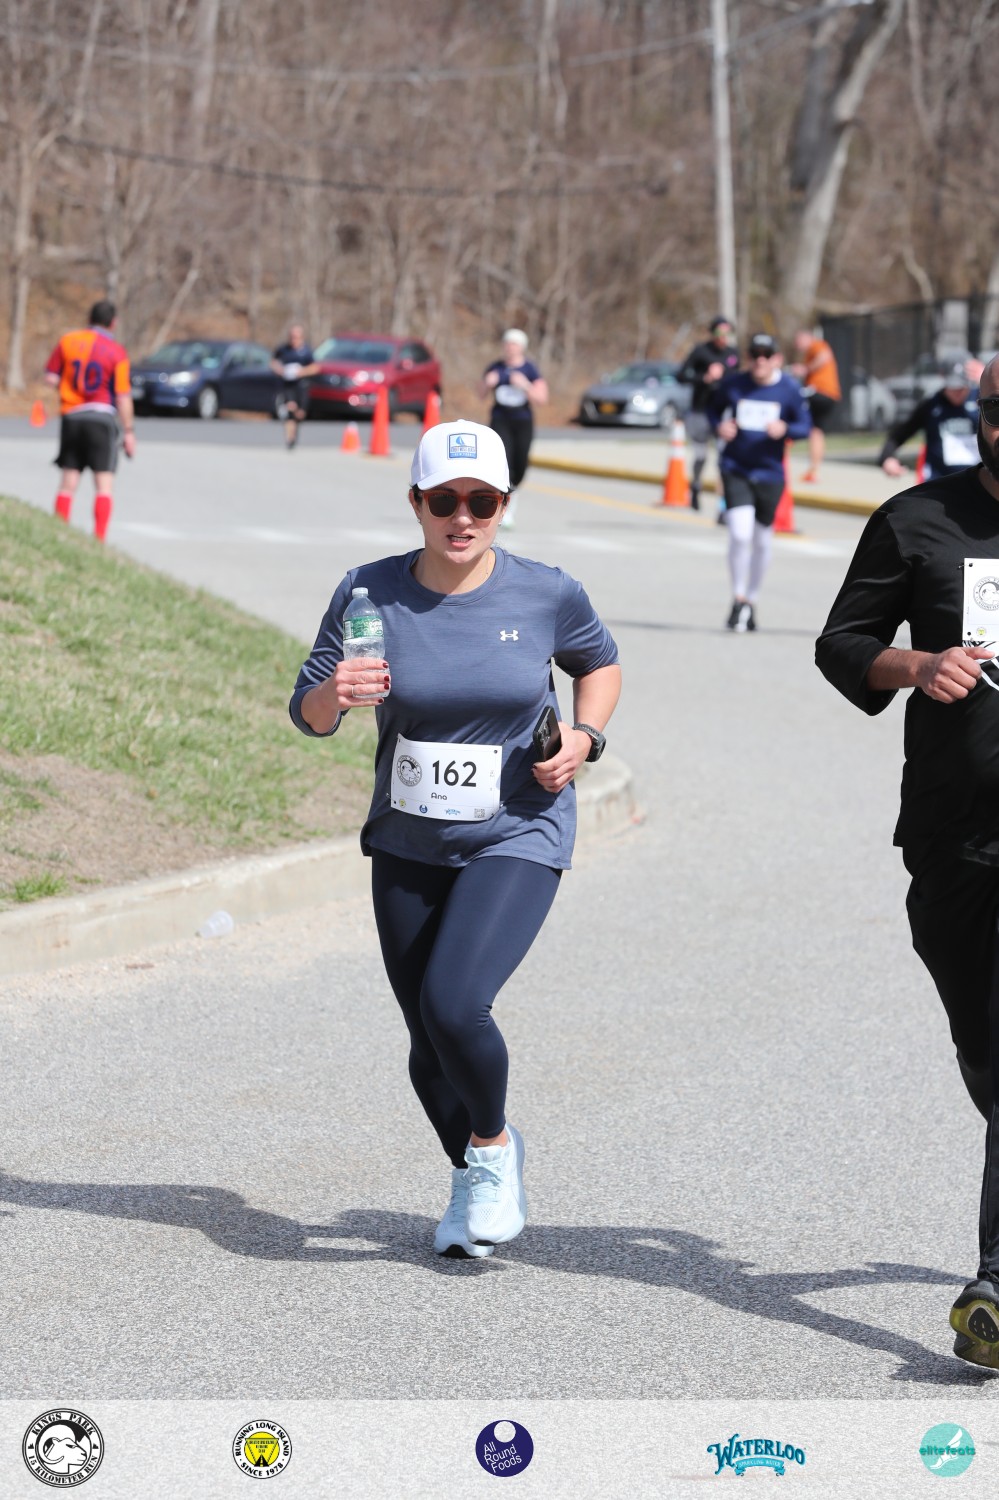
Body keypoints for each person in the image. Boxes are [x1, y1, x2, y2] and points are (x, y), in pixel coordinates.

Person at [289, 420, 620, 1259]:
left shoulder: (546, 592)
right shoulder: (368, 593)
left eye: (482, 501)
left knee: (453, 1003)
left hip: (518, 827)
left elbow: (598, 663)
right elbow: (309, 712)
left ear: (504, 504)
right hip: (408, 840)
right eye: (444, 501)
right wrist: (334, 691)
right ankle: (473, 1177)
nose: (462, 518)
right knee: (425, 1045)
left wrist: (584, 736)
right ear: (416, 503)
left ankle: (494, 1149)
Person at [815, 353, 999, 1369]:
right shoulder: (916, 520)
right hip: (949, 834)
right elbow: (842, 643)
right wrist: (918, 664)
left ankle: (994, 1291)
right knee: (985, 1053)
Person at [707, 333, 811, 633]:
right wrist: (720, 427)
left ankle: (751, 600)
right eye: (754, 354)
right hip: (736, 468)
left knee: (762, 540)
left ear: (777, 358)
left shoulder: (788, 388)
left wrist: (785, 428)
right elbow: (712, 410)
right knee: (740, 534)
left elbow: (806, 426)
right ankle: (738, 597)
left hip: (770, 473)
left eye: (766, 354)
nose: (760, 360)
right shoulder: (734, 384)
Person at [44, 298, 135, 542]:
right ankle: (99, 540)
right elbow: (123, 395)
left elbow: (51, 378)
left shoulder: (68, 341)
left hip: (72, 416)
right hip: (101, 417)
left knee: (68, 481)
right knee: (104, 484)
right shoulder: (116, 352)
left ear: (89, 318)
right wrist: (128, 430)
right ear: (113, 323)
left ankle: (58, 533)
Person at [477, 329, 548, 529]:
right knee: (504, 462)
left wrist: (525, 385)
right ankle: (503, 507)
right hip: (500, 421)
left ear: (522, 347)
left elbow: (542, 398)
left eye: (514, 344)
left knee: (520, 463)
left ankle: (512, 496)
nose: (510, 348)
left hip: (522, 421)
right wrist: (487, 383)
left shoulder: (529, 369)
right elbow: (480, 394)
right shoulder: (496, 367)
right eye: (507, 343)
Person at [677, 316, 741, 511]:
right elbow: (681, 376)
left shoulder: (733, 354)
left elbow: (737, 380)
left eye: (727, 333)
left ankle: (723, 504)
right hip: (701, 410)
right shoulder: (700, 351)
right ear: (712, 333)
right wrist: (704, 377)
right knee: (701, 455)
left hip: (723, 413)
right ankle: (696, 486)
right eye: (719, 333)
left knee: (723, 460)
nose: (723, 337)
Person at [879, 361, 981, 482]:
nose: (957, 392)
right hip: (938, 481)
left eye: (961, 387)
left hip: (976, 480)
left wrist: (989, 381)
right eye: (953, 386)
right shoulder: (931, 406)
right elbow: (899, 435)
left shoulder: (981, 401)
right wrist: (887, 458)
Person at [790, 329, 842, 483]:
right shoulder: (810, 352)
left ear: (807, 337)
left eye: (799, 341)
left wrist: (804, 369)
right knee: (816, 432)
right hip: (830, 395)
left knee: (789, 410)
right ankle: (814, 470)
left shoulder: (817, 345)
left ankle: (784, 443)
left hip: (818, 392)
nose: (797, 345)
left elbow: (824, 356)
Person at [270, 323, 320, 449]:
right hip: (287, 385)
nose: (294, 340)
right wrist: (279, 369)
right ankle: (289, 438)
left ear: (301, 337)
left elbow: (315, 368)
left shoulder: (306, 352)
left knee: (299, 414)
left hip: (301, 385)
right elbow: (273, 362)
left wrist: (302, 372)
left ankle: (294, 434)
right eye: (292, 337)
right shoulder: (283, 349)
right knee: (290, 409)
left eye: (296, 337)